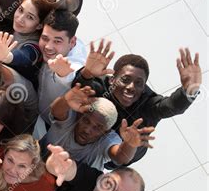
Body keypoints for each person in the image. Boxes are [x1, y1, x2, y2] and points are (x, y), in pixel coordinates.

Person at [72, 44, 202, 165]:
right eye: (125, 79)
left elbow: (171, 106)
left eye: (139, 83)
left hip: (118, 155)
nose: (131, 87)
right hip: (77, 137)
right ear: (112, 80)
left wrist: (190, 90)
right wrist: (87, 72)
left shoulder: (148, 103)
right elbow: (79, 87)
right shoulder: (102, 86)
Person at [46, 84, 155, 170]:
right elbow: (56, 111)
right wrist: (66, 100)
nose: (87, 130)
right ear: (80, 115)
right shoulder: (72, 117)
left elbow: (121, 157)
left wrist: (130, 144)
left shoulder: (107, 141)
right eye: (86, 120)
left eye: (97, 128)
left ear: (107, 132)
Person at [37, 11, 87, 124]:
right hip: (38, 115)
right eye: (45, 38)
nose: (48, 47)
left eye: (57, 41)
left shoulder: (76, 63)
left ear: (72, 42)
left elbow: (74, 75)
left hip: (55, 126)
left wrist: (64, 74)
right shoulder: (67, 41)